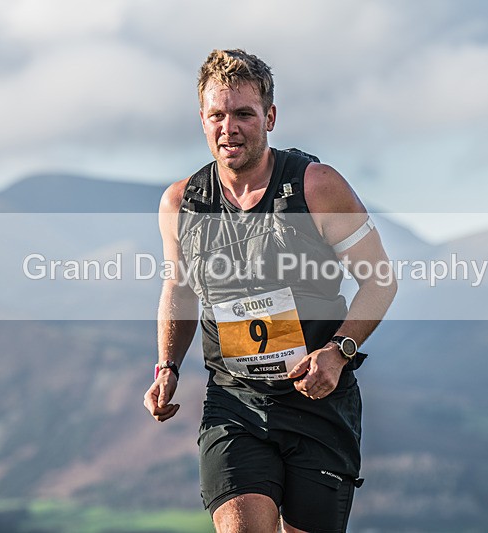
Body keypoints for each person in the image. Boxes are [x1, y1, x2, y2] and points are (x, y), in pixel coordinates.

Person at [144, 49, 397, 533]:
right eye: (217, 115)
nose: (229, 127)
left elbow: (380, 279)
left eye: (243, 113)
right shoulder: (181, 202)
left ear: (270, 117)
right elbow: (178, 288)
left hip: (317, 400)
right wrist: (167, 367)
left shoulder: (317, 187)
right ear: (202, 120)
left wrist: (338, 352)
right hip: (234, 402)